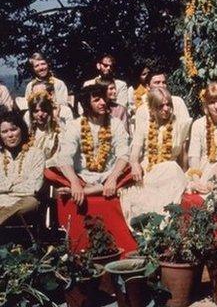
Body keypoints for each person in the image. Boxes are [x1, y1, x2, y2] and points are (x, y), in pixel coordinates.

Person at [119, 87, 191, 225]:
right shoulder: (145, 124)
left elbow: (184, 153)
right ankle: (150, 225)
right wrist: (134, 164)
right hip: (150, 170)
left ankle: (162, 224)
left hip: (171, 172)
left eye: (168, 104)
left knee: (171, 168)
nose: (166, 109)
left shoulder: (178, 124)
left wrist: (186, 173)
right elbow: (135, 152)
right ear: (152, 109)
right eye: (161, 106)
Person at [52, 84, 130, 205]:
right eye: (97, 100)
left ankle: (89, 191)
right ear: (86, 104)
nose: (103, 102)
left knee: (132, 169)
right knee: (50, 171)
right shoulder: (75, 125)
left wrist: (113, 178)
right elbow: (65, 156)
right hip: (81, 177)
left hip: (108, 176)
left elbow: (123, 154)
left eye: (104, 98)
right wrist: (75, 182)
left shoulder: (116, 124)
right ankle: (91, 189)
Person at [0, 112, 45, 225]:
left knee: (32, 202)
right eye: (4, 132)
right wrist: (15, 184)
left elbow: (34, 187)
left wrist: (5, 188)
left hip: (22, 203)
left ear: (22, 129)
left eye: (13, 129)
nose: (10, 135)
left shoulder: (36, 154)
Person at [133, 66, 190, 131]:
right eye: (157, 83)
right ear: (148, 86)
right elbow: (139, 137)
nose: (161, 85)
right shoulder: (142, 109)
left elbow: (186, 128)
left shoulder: (177, 102)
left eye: (164, 82)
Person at [25, 91, 62, 167]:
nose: (40, 114)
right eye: (36, 111)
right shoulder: (28, 132)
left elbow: (59, 158)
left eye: (44, 110)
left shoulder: (57, 132)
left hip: (49, 169)